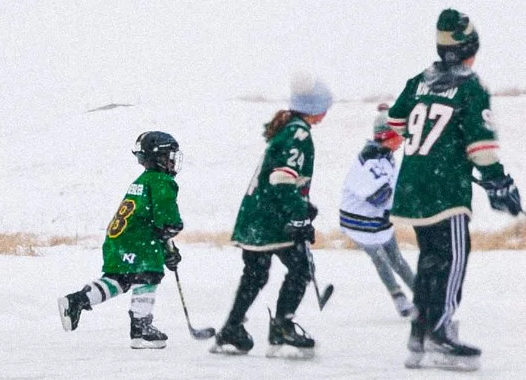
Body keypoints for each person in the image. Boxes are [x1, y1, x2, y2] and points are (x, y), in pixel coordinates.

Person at [386, 10, 517, 370]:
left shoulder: (419, 80)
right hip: (446, 191)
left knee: (431, 258)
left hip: (413, 185)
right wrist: (498, 180)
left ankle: (420, 333)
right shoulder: (472, 87)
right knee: (454, 256)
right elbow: (481, 146)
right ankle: (439, 332)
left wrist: (436, 146)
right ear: (471, 49)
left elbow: (395, 123)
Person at [212, 75, 331, 356]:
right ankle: (282, 326)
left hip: (255, 216)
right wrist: (298, 215)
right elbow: (281, 178)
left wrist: (303, 206)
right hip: (272, 220)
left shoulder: (287, 128)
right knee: (301, 270)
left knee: (255, 275)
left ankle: (232, 328)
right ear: (316, 108)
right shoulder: (298, 133)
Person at [59, 131, 185, 349]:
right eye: (169, 156)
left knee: (120, 279)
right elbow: (164, 220)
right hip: (138, 243)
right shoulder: (161, 181)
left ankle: (77, 301)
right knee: (148, 276)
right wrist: (172, 228)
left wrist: (167, 251)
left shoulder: (142, 181)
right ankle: (141, 328)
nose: (172, 161)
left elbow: (147, 222)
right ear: (158, 158)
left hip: (118, 240)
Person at [337, 108, 417, 318]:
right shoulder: (369, 160)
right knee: (380, 257)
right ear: (387, 136)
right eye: (400, 135)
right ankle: (399, 297)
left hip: (379, 220)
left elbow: (396, 184)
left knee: (397, 258)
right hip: (359, 221)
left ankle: (423, 295)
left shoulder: (387, 155)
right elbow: (379, 196)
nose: (402, 140)